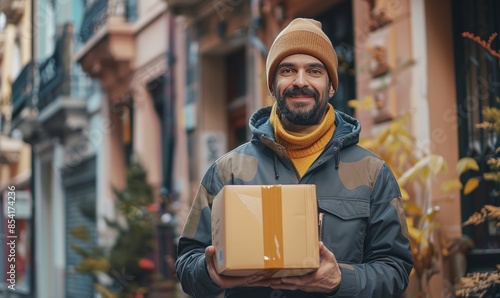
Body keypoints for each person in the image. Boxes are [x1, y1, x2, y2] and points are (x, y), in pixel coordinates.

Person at [175, 17, 413, 298]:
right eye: (287, 70)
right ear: (272, 85)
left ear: (332, 86)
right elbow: (187, 265)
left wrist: (340, 280)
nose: (301, 81)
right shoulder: (228, 172)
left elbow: (396, 271)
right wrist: (209, 272)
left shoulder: (372, 174)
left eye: (314, 71)